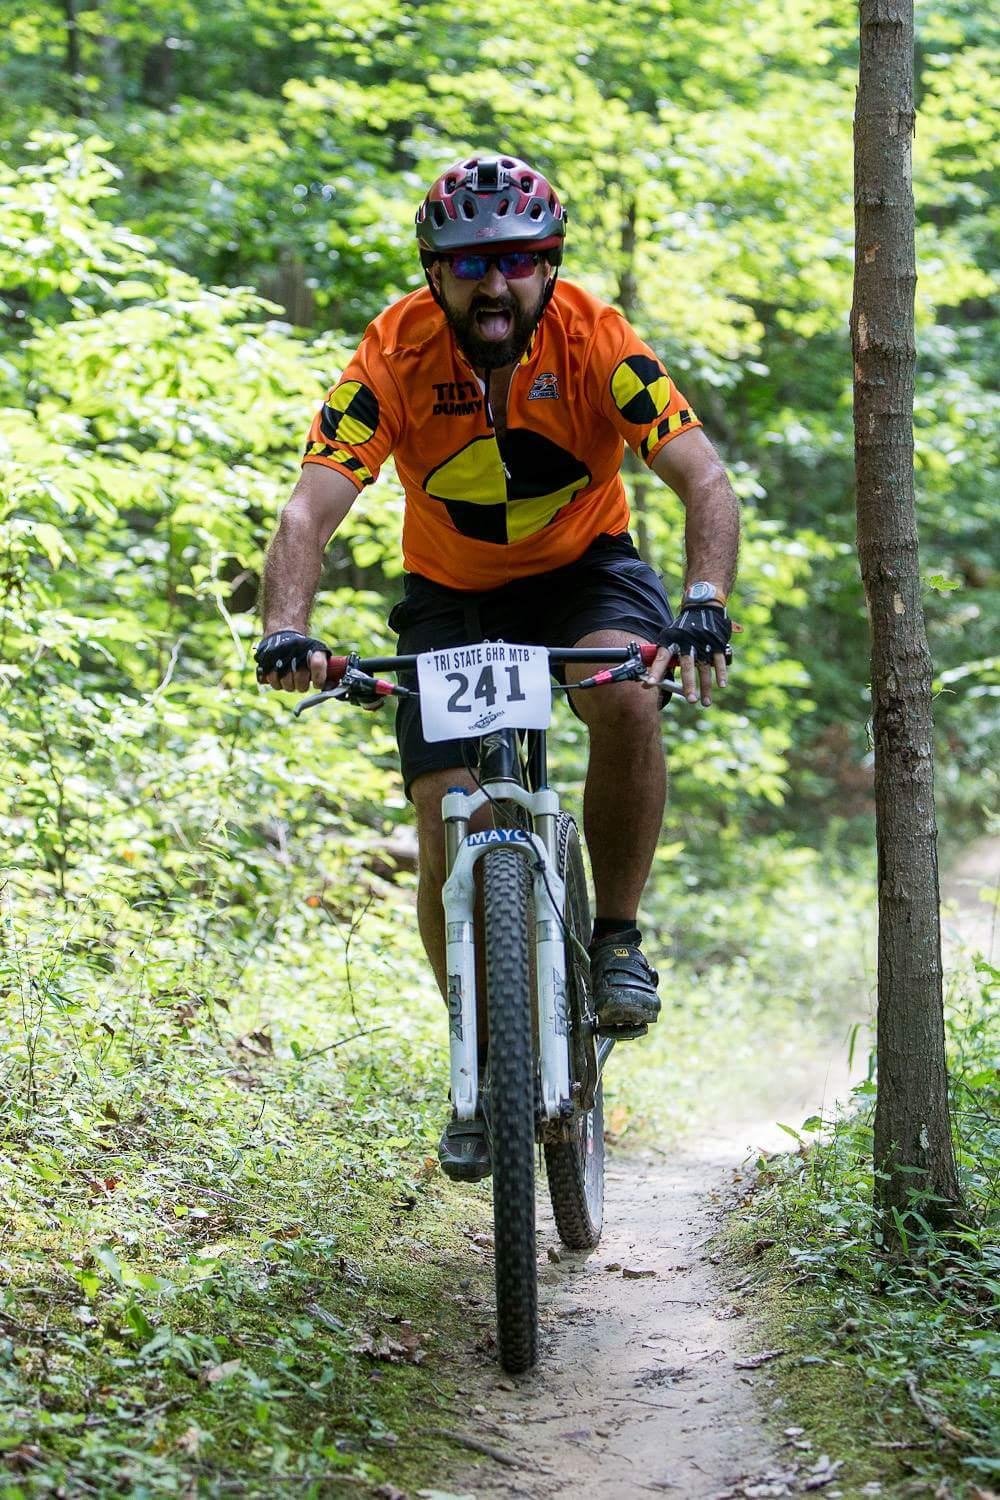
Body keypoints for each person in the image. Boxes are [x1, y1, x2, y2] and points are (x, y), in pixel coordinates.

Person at [255, 154, 739, 1179]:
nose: (493, 284)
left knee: (625, 695)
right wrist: (285, 626)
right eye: (469, 262)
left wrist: (702, 605)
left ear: (549, 267)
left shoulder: (599, 339)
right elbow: (311, 504)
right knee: (445, 817)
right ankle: (477, 1061)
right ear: (433, 272)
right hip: (452, 595)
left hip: (584, 574)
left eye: (517, 263)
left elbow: (703, 478)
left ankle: (615, 937)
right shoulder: (391, 350)